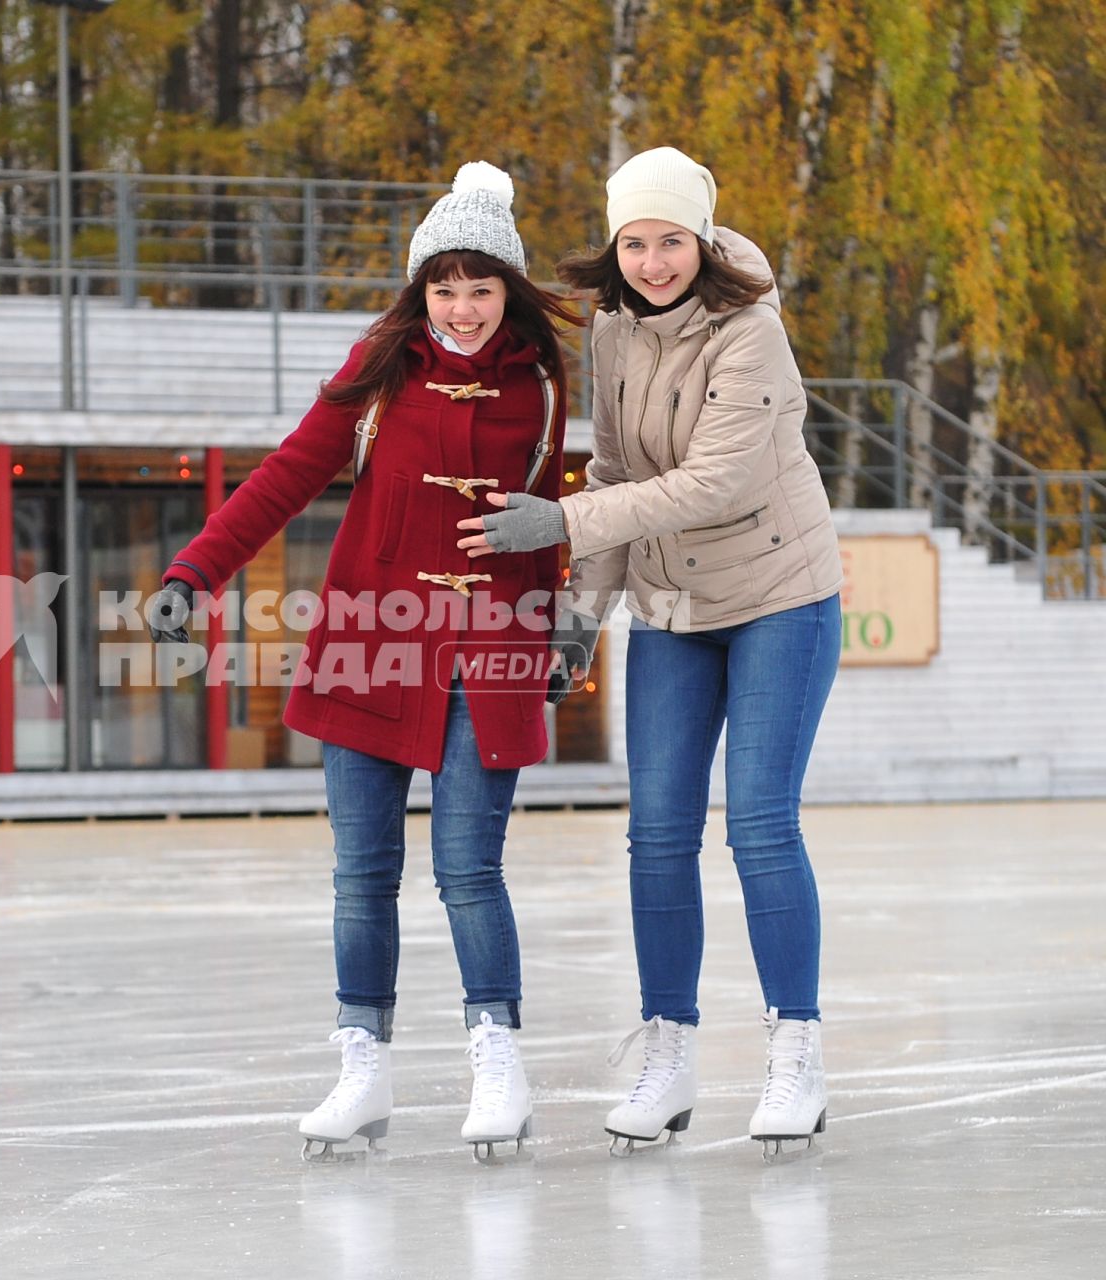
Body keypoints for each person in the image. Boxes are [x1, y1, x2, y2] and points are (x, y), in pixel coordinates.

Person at [145, 162, 588, 1161]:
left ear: (506, 290)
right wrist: (195, 571)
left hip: (490, 648)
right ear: (419, 288)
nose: (463, 307)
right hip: (370, 644)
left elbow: (562, 516)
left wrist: (568, 617)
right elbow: (286, 474)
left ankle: (498, 1063)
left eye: (481, 287)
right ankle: (363, 1067)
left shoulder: (544, 382)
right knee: (362, 877)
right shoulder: (379, 369)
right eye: (445, 285)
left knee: (469, 870)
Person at [457, 145, 844, 1158]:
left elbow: (712, 483)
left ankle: (794, 1047)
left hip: (777, 596)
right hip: (673, 605)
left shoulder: (750, 331)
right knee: (656, 832)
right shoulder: (614, 332)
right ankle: (668, 1048)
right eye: (635, 241)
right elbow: (622, 466)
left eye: (671, 239)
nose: (653, 260)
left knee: (757, 823)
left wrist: (559, 523)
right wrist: (580, 616)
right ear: (616, 245)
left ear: (701, 239)